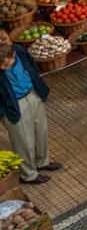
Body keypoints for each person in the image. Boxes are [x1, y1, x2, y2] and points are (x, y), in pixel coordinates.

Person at [0, 42, 58, 184]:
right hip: (13, 105)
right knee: (23, 141)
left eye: (6, 65)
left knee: (41, 131)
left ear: (13, 55)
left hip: (33, 93)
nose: (2, 68)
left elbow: (32, 67)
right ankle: (28, 175)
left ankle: (42, 161)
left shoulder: (19, 51)